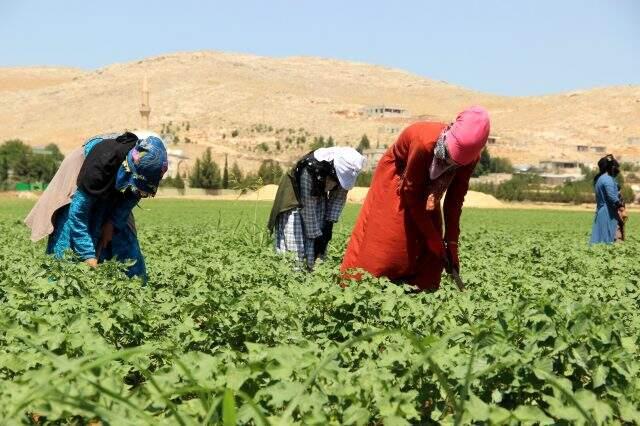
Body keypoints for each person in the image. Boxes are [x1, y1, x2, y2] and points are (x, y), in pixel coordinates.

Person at [341, 106, 490, 291]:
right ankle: (361, 290)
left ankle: (418, 292)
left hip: (430, 185)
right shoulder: (424, 141)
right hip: (398, 177)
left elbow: (454, 200)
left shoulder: (470, 159)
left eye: (456, 162)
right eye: (450, 156)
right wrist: (433, 238)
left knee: (431, 250)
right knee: (388, 239)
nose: (450, 163)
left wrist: (451, 243)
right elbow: (411, 192)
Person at [25, 131, 168, 279]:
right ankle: (61, 286)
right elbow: (78, 214)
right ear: (129, 169)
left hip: (112, 180)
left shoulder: (144, 172)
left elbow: (131, 198)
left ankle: (136, 284)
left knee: (123, 237)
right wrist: (88, 256)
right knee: (68, 235)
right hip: (84, 174)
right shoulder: (100, 165)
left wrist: (112, 223)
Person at [268, 147, 366, 270]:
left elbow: (339, 197)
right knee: (295, 250)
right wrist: (315, 236)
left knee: (318, 247)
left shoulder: (345, 170)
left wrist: (328, 226)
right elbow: (307, 205)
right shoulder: (309, 167)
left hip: (318, 197)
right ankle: (293, 278)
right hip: (294, 200)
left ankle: (312, 274)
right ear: (333, 168)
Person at [590, 154, 625, 244]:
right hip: (608, 212)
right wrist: (621, 207)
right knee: (611, 239)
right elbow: (612, 197)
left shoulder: (601, 179)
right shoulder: (607, 179)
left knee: (601, 239)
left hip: (602, 211)